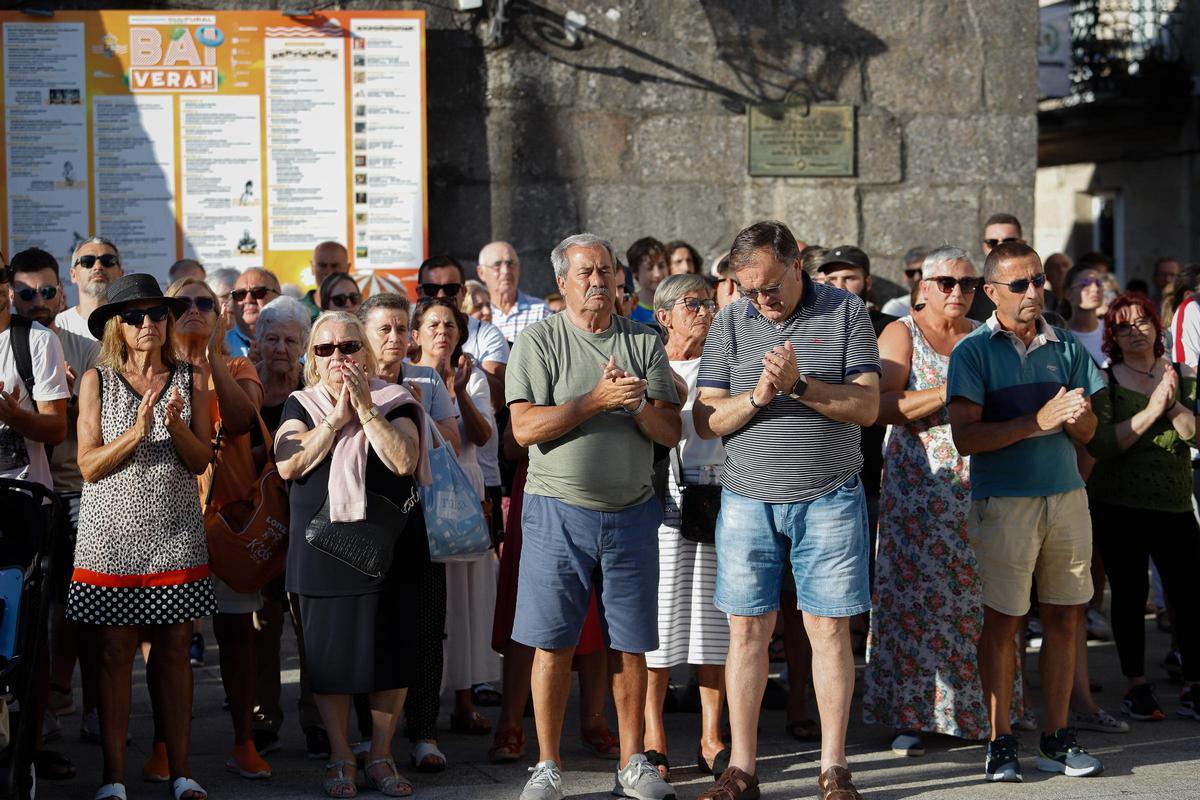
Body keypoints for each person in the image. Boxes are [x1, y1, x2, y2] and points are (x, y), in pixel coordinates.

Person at [692, 220, 879, 800]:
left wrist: (801, 386)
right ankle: (742, 767)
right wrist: (757, 397)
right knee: (747, 629)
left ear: (798, 263)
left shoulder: (847, 312)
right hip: (747, 496)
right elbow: (706, 419)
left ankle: (834, 767)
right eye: (749, 290)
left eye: (770, 287)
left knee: (828, 628)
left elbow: (868, 407)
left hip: (830, 493)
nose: (761, 300)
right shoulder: (731, 320)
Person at [508, 233, 680, 800]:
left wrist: (636, 405)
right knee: (552, 640)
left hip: (631, 512)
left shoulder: (643, 340)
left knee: (631, 643)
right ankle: (547, 764)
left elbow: (669, 430)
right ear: (562, 282)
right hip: (556, 511)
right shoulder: (539, 341)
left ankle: (633, 761)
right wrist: (593, 402)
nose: (598, 281)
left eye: (606, 270)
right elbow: (524, 429)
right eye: (585, 272)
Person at [946, 241, 1107, 782]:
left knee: (1065, 616)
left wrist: (1076, 418)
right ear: (991, 292)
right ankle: (1000, 742)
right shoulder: (972, 352)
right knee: (1004, 622)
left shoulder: (1066, 344)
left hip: (1066, 497)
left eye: (1038, 280)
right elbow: (966, 439)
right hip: (1005, 503)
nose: (1034, 291)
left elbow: (1090, 431)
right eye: (1020, 284)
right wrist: (1037, 421)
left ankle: (1057, 739)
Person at [70, 273, 215, 800]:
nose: (147, 323)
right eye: (134, 316)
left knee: (174, 650)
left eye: (156, 313)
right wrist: (136, 431)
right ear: (117, 326)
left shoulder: (190, 378)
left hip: (175, 534)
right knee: (114, 653)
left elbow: (201, 459)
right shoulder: (97, 379)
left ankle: (181, 773)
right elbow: (88, 465)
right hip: (110, 539)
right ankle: (113, 778)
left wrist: (172, 426)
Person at [274, 310, 427, 798]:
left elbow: (404, 459)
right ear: (312, 360)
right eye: (325, 349)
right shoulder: (300, 403)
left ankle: (380, 754)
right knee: (328, 660)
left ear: (366, 352)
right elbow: (288, 463)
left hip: (389, 551)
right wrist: (333, 421)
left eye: (348, 347)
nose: (337, 356)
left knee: (392, 653)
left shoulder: (396, 400)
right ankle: (341, 755)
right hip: (321, 552)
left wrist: (364, 410)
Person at [863, 245, 1004, 756]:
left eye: (967, 284)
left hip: (978, 487)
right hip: (918, 492)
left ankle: (982, 715)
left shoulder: (984, 335)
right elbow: (878, 406)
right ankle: (914, 715)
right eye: (947, 282)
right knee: (913, 603)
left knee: (977, 602)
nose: (957, 292)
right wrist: (948, 390)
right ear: (923, 286)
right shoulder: (901, 333)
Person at [161, 277, 270, 780]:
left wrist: (210, 359)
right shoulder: (154, 370)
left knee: (237, 634)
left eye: (204, 303)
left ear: (219, 314)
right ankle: (164, 743)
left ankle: (244, 741)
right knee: (169, 637)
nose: (193, 310)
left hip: (228, 519)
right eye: (180, 303)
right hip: (168, 520)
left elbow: (244, 419)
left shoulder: (238, 365)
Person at [1086, 294, 1200, 722]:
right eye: (1123, 326)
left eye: (1142, 321)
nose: (1135, 331)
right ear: (1112, 337)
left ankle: (1194, 683)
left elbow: (1196, 435)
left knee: (1189, 597)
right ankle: (1136, 685)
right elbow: (1102, 445)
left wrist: (1172, 405)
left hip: (1174, 504)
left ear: (1156, 325)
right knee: (1130, 596)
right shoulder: (1106, 379)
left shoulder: (1183, 375)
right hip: (1120, 505)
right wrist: (1152, 409)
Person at [358, 292, 457, 772]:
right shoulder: (347, 377)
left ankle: (423, 732)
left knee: (425, 626)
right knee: (368, 626)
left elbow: (452, 443)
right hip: (365, 520)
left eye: (402, 328)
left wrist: (418, 414)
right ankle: (368, 735)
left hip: (422, 516)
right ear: (364, 335)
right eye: (384, 329)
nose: (395, 338)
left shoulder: (427, 380)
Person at [644, 274, 730, 779]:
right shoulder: (650, 363)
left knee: (713, 621)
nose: (704, 312)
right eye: (693, 304)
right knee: (660, 620)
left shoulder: (725, 361)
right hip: (663, 497)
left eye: (708, 304)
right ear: (664, 316)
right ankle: (653, 734)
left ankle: (711, 736)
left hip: (717, 493)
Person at [408, 298, 500, 739]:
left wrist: (460, 391)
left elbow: (481, 437)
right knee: (428, 601)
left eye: (449, 325)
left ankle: (465, 702)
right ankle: (421, 705)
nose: (442, 331)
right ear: (416, 334)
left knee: (467, 601)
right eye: (433, 324)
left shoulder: (473, 376)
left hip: (464, 487)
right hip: (423, 486)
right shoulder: (408, 376)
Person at [0, 254, 75, 780]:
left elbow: (55, 428)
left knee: (26, 627)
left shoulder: (35, 341)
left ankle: (33, 740)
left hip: (22, 504)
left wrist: (12, 415)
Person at [247, 295, 324, 758]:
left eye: (290, 341)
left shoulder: (313, 391)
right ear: (257, 342)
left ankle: (317, 720)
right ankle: (263, 719)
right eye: (272, 338)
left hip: (305, 522)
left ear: (304, 347)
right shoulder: (247, 387)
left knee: (310, 627)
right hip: (257, 526)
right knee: (262, 627)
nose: (280, 348)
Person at [476, 241, 551, 342]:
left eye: (510, 264)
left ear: (519, 269)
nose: (506, 271)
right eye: (497, 265)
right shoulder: (476, 315)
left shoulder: (541, 312)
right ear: (481, 272)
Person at [56, 237, 124, 341]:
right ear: (73, 275)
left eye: (108, 260)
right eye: (87, 261)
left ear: (121, 274)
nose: (98, 267)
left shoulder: (133, 323)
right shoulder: (57, 326)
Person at [967, 213, 1026, 323]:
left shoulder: (1045, 299)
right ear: (984, 247)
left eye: (1009, 242)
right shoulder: (968, 294)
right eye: (992, 242)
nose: (1000, 247)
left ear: (1023, 244)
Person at [1060, 265, 1110, 368]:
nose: (1095, 289)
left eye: (1098, 283)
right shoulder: (1059, 336)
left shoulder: (1112, 331)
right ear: (1068, 294)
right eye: (1086, 283)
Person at [227, 268, 282, 358]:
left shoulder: (299, 341)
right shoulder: (219, 345)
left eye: (258, 292)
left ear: (279, 298)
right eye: (240, 294)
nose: (248, 300)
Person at [626, 237, 670, 326]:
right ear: (635, 272)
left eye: (661, 266)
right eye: (649, 268)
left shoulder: (677, 304)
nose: (657, 274)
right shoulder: (627, 308)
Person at [303, 242, 351, 320]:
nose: (329, 272)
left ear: (347, 268)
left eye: (335, 266)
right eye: (322, 265)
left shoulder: (361, 312)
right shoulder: (296, 312)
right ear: (312, 268)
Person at [880, 246, 930, 317]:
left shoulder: (945, 305)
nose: (917, 277)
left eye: (922, 271)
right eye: (910, 273)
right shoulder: (895, 308)